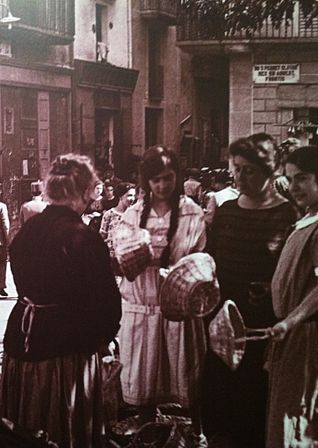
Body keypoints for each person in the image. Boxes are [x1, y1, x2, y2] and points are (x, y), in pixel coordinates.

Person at [0, 153, 121, 447]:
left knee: (24, 428)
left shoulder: (26, 232)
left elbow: (22, 285)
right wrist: (103, 338)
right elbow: (106, 305)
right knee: (61, 429)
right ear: (81, 193)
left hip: (21, 340)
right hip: (65, 351)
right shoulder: (84, 237)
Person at [201, 137, 297, 447]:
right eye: (237, 170)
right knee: (220, 401)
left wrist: (273, 289)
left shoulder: (288, 215)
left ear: (270, 171)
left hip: (261, 325)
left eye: (249, 171)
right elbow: (213, 258)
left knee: (254, 401)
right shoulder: (226, 210)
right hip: (221, 321)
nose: (240, 178)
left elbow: (294, 272)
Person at [116, 146, 207, 442]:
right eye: (155, 180)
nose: (162, 186)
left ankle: (196, 432)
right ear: (146, 181)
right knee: (145, 378)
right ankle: (148, 433)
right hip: (143, 303)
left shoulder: (192, 211)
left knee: (186, 375)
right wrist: (137, 255)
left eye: (167, 178)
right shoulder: (132, 214)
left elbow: (200, 255)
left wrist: (180, 269)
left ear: (177, 177)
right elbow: (122, 257)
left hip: (178, 305)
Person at [267, 145, 318, 447]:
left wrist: (289, 321)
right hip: (299, 334)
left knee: (309, 422)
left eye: (301, 178)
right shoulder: (308, 218)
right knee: (291, 419)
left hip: (315, 337)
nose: (294, 187)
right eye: (289, 179)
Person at [99, 182, 135, 271]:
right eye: (129, 195)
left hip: (129, 259)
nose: (132, 199)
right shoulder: (109, 214)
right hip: (111, 259)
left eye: (134, 196)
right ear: (120, 196)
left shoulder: (135, 214)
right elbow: (102, 237)